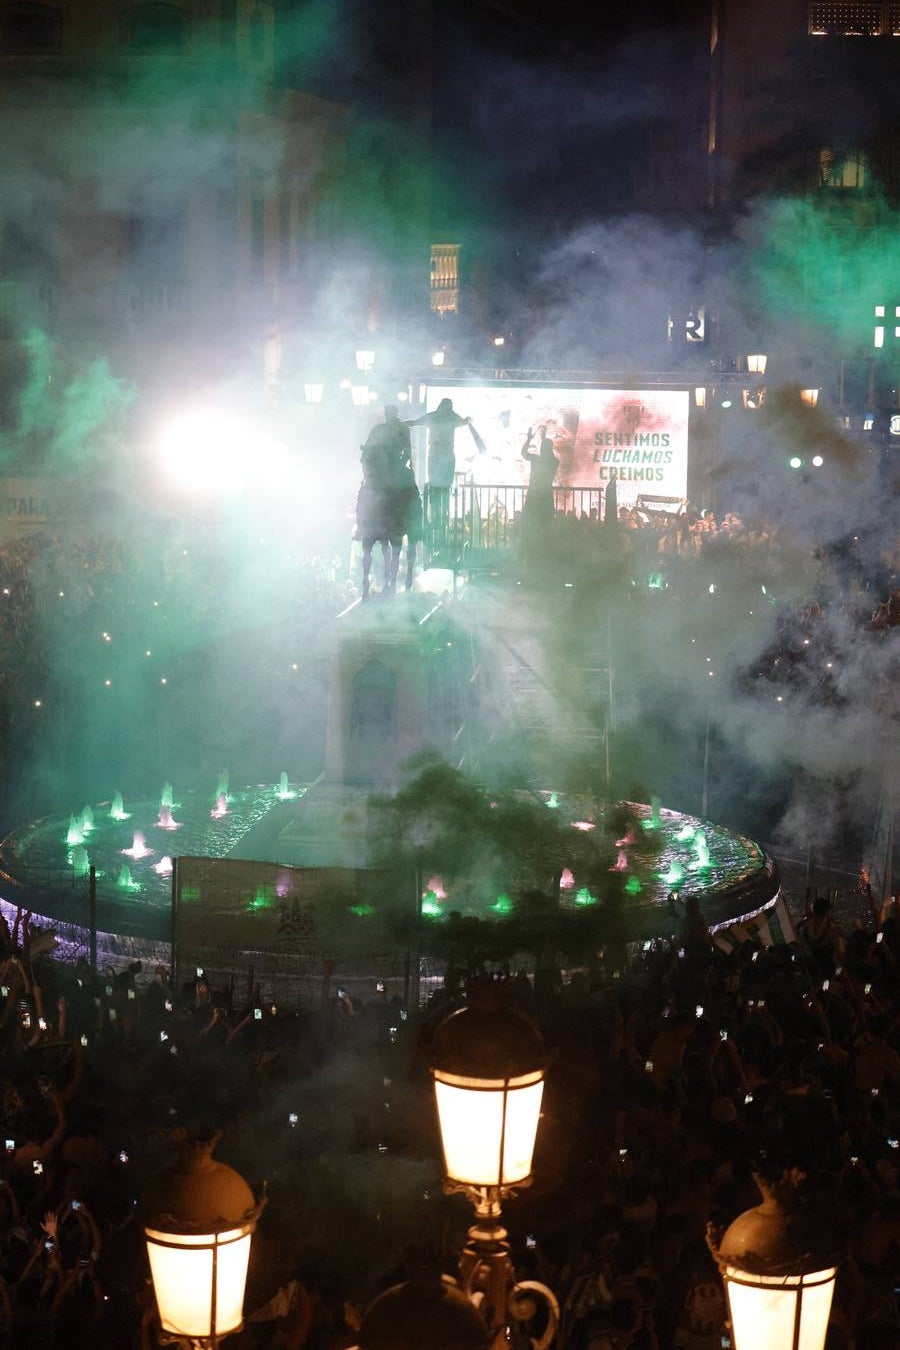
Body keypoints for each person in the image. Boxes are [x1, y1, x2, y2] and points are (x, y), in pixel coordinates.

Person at [408, 398, 478, 547]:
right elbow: (463, 421)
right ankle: (439, 513)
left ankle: (438, 513)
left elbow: (415, 422)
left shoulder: (435, 417)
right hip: (443, 455)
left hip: (438, 455)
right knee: (441, 486)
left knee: (439, 486)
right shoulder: (450, 417)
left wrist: (402, 423)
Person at [520, 424, 559, 565]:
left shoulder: (537, 460)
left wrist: (529, 439)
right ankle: (545, 554)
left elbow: (524, 454)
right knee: (546, 525)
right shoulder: (554, 462)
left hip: (534, 496)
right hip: (546, 498)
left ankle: (530, 554)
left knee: (531, 524)